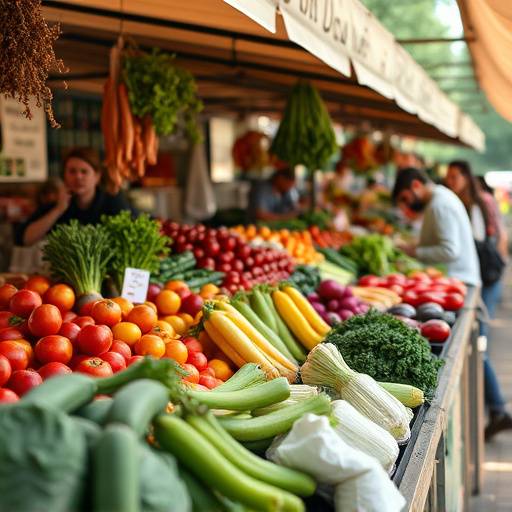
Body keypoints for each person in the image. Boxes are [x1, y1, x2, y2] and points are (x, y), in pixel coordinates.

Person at [445, 160, 511, 440]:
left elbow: (475, 241)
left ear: (465, 176)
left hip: (484, 278)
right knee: (477, 343)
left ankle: (498, 409)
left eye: (454, 176)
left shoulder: (474, 202)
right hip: (487, 275)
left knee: (478, 344)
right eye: (448, 177)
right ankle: (496, 411)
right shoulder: (473, 200)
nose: (450, 181)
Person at [17, 147, 135, 246]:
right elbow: (24, 239)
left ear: (97, 177)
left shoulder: (113, 200)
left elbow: (131, 236)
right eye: (72, 171)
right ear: (64, 175)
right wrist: (58, 210)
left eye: (84, 172)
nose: (78, 177)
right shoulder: (56, 202)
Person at [392, 167, 480, 286]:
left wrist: (415, 252)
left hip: (459, 280)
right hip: (454, 279)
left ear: (416, 185)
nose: (407, 205)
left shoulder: (439, 205)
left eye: (405, 198)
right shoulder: (438, 199)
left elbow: (450, 251)